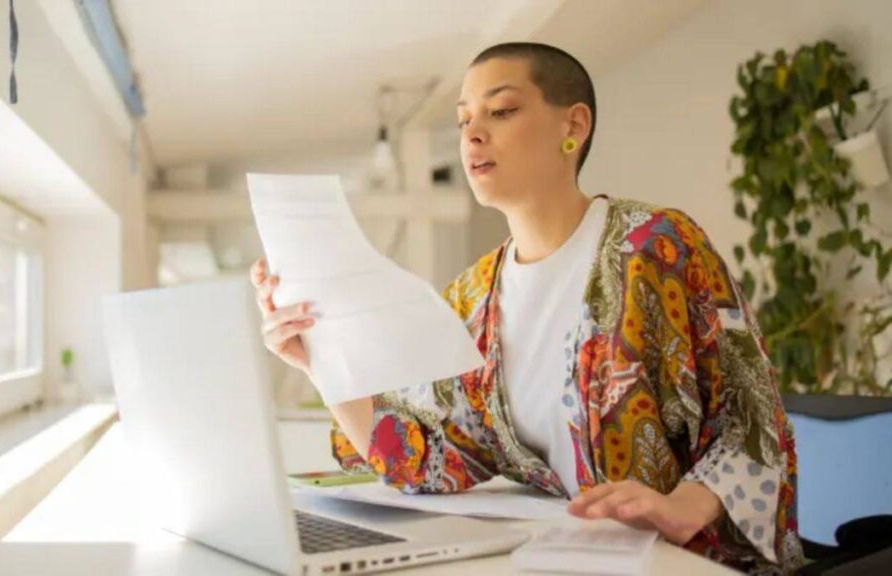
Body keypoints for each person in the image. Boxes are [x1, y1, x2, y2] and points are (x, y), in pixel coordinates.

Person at [249, 42, 803, 574]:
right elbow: (432, 454)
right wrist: (319, 362)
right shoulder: (473, 297)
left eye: (503, 110)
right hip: (564, 558)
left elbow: (753, 415)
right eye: (464, 120)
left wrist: (686, 503)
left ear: (574, 126)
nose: (474, 135)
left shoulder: (656, 247)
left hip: (679, 561)